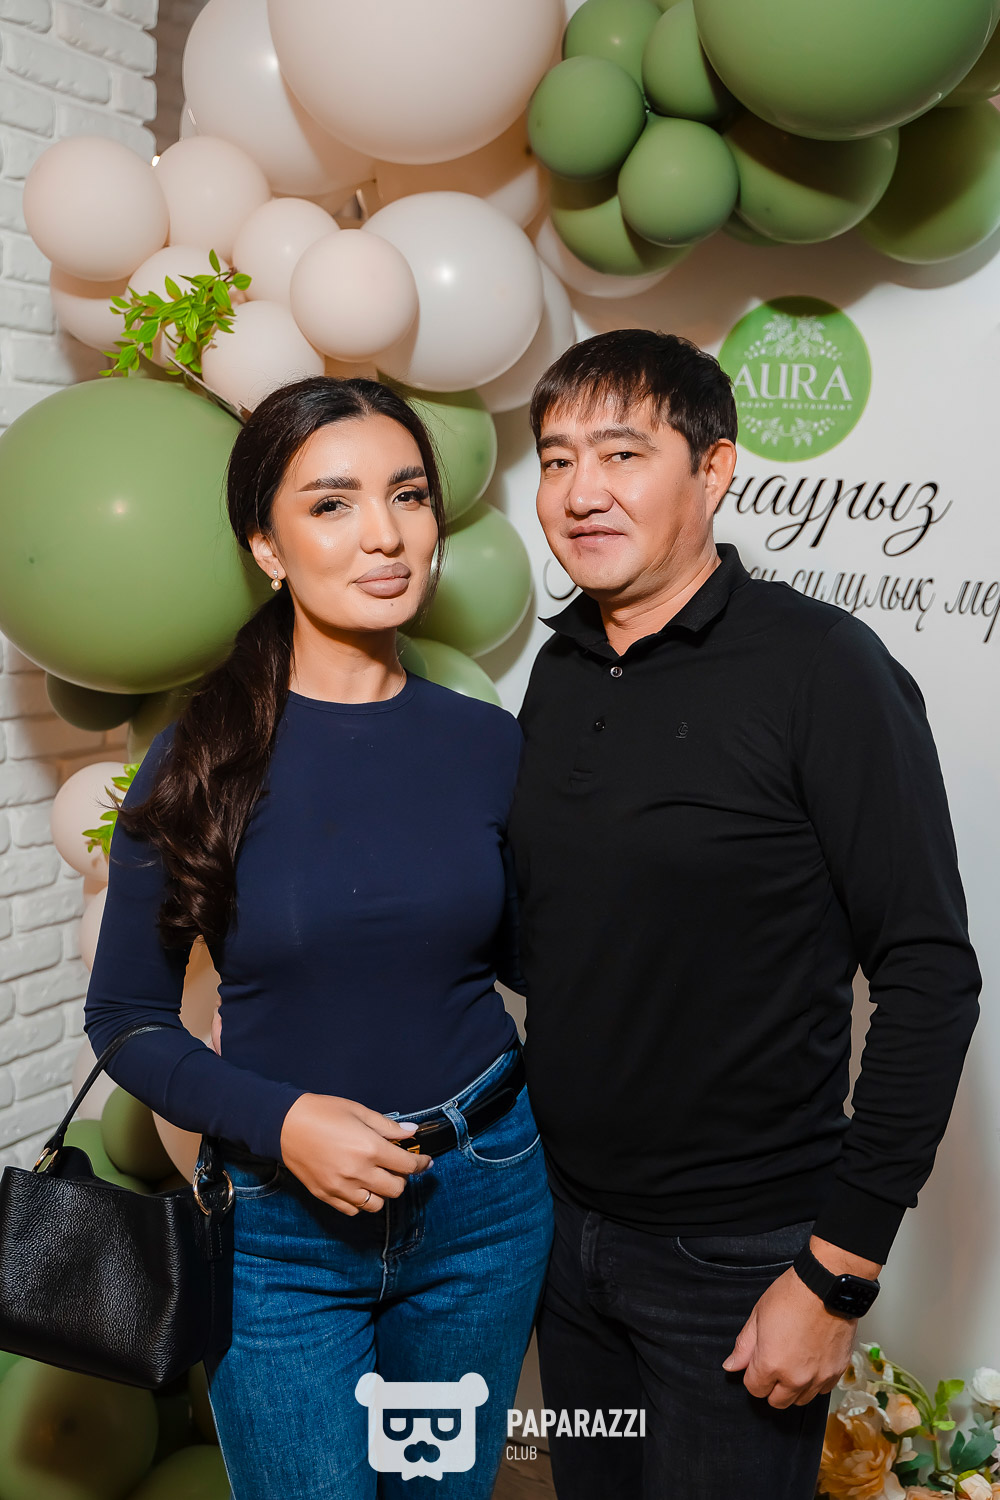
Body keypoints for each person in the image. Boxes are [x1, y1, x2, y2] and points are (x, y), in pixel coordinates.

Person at [507, 329, 982, 1500]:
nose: (581, 492)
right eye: (557, 460)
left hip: (736, 1262)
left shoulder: (823, 668)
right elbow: (549, 939)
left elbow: (929, 972)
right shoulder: (559, 669)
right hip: (563, 1236)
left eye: (622, 454)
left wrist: (835, 1274)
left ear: (712, 469)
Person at [83, 376, 554, 1500]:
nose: (385, 535)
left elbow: (533, 963)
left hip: (484, 1199)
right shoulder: (201, 759)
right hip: (278, 1234)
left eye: (408, 495)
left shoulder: (487, 743)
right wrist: (282, 1120)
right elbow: (126, 1019)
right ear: (267, 546)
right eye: (332, 504)